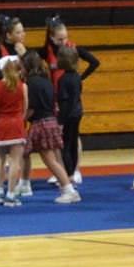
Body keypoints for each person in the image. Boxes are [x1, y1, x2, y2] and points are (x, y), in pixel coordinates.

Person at [44, 17, 100, 182]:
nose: (63, 41)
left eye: (65, 38)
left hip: (69, 98)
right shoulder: (47, 50)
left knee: (72, 138)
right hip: (55, 97)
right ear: (52, 38)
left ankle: (75, 171)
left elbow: (95, 62)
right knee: (59, 139)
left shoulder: (72, 49)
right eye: (60, 39)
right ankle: (61, 171)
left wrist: (80, 78)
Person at [22, 51, 78, 204]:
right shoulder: (46, 80)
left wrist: (21, 118)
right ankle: (24, 183)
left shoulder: (31, 83)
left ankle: (68, 189)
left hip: (41, 122)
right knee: (28, 154)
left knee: (49, 159)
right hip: (51, 119)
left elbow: (31, 108)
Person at [0, 58, 28, 206]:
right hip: (16, 124)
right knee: (14, 161)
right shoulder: (23, 86)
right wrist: (19, 121)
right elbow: (25, 109)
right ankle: (11, 194)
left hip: (1, 125)